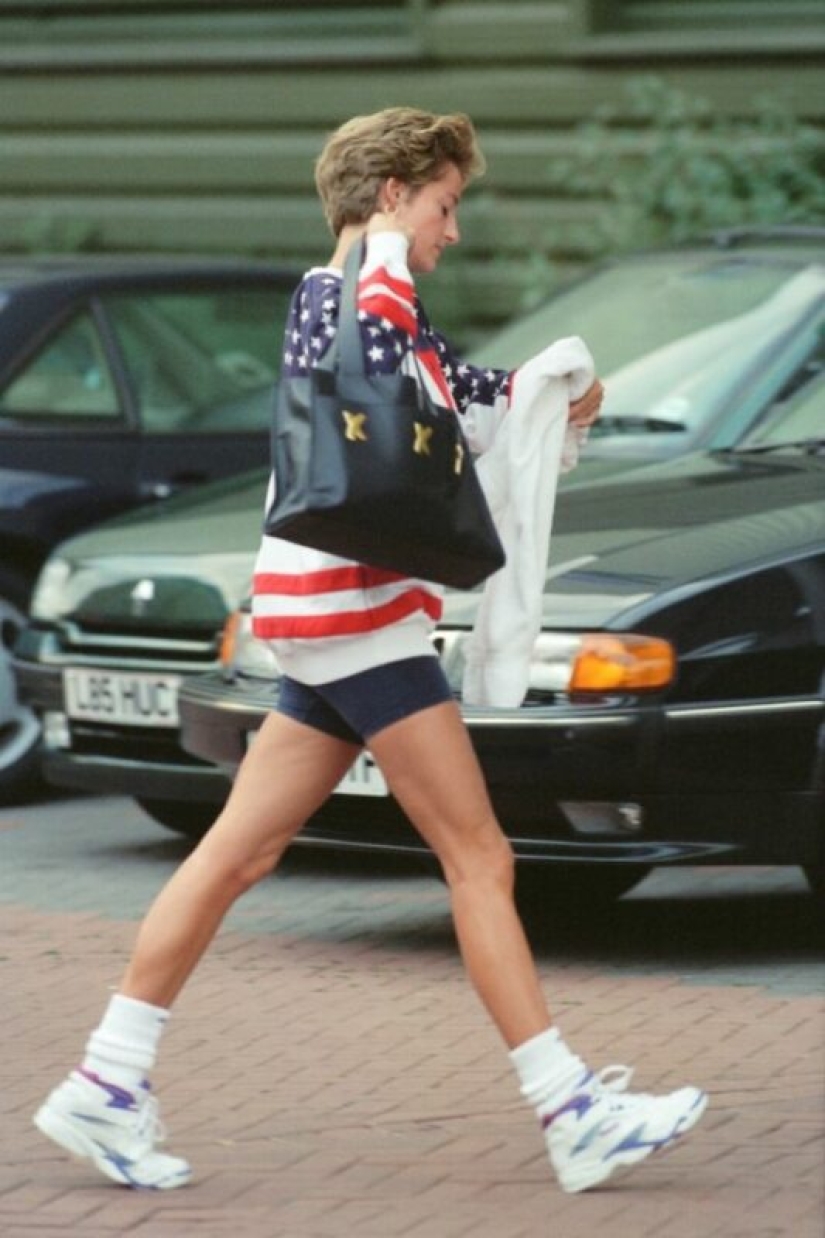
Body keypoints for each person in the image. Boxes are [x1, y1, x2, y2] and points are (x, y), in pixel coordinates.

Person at [34, 107, 707, 1195]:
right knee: (481, 855)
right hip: (358, 618)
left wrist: (558, 390)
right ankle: (573, 1108)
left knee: (236, 854)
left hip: (321, 622)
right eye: (444, 206)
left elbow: (458, 397)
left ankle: (105, 1083)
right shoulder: (344, 291)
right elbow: (405, 352)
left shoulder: (363, 311)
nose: (455, 231)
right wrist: (388, 245)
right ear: (392, 196)